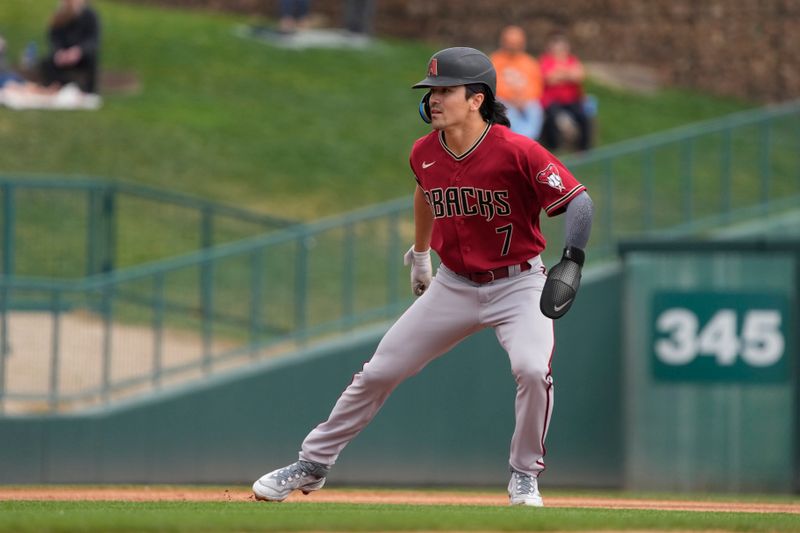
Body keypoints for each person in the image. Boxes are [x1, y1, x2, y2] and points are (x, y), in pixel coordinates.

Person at [252, 47, 593, 507]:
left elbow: (579, 202)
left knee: (532, 370)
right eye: (431, 91)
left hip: (518, 283)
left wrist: (571, 259)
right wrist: (419, 254)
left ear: (477, 99)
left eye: (445, 90)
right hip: (454, 284)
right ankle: (312, 465)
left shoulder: (517, 151)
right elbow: (425, 194)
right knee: (379, 372)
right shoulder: (425, 152)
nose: (434, 99)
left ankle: (523, 475)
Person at [490, 25, 544, 140]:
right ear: (503, 42)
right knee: (507, 110)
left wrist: (524, 99)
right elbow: (493, 85)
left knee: (535, 110)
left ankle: (529, 141)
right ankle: (519, 140)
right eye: (510, 43)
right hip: (505, 100)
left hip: (526, 101)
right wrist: (512, 98)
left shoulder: (530, 62)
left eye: (516, 43)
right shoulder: (495, 60)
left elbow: (537, 86)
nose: (513, 46)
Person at [539, 32, 590, 152]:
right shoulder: (546, 60)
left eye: (562, 48)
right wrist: (568, 73)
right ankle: (553, 146)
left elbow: (579, 76)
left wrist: (559, 73)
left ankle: (584, 148)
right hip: (552, 100)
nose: (560, 51)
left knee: (583, 116)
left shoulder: (573, 59)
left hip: (572, 99)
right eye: (557, 48)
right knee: (551, 117)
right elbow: (549, 79)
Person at [40, 0, 101, 94]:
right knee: (46, 62)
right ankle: (60, 87)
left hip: (81, 55)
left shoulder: (90, 15)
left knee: (92, 59)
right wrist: (59, 52)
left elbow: (93, 40)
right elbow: (54, 37)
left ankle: (89, 91)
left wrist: (79, 51)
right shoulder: (60, 15)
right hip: (63, 54)